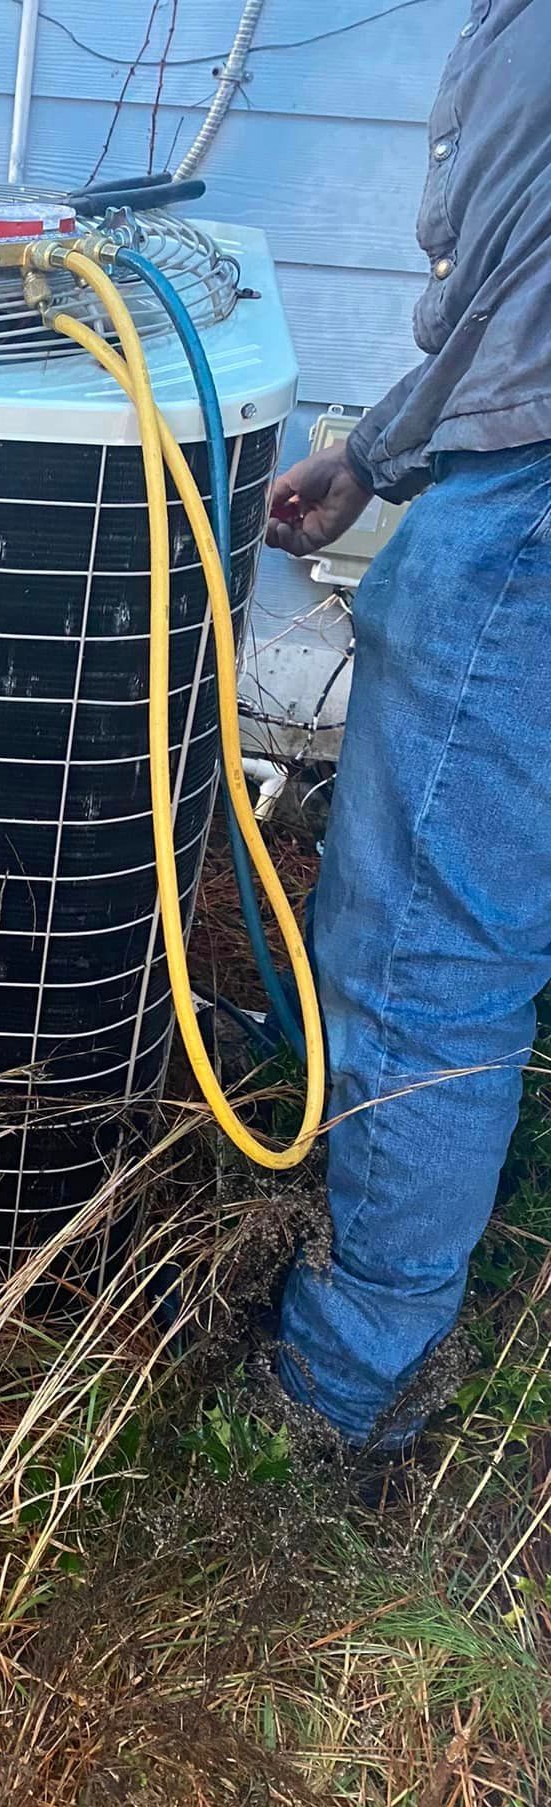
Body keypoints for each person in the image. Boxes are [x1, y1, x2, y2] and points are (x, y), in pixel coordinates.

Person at [264, 0, 551, 1454]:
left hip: (530, 512)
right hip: (503, 476)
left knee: (426, 956)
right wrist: (374, 451)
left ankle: (343, 1394)